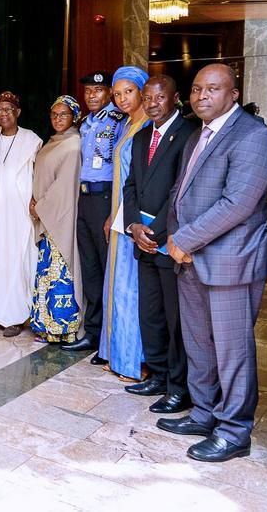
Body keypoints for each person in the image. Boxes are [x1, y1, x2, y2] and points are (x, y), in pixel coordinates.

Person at [158, 64, 267, 463]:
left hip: (232, 260)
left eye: (213, 89)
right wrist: (173, 237)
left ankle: (234, 430)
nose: (202, 96)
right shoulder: (198, 134)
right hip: (190, 259)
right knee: (200, 345)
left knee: (233, 352)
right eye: (196, 89)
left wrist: (185, 239)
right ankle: (205, 412)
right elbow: (181, 192)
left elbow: (239, 203)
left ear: (233, 93)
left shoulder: (254, 136)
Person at [122, 75, 197, 412]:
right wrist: (133, 225)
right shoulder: (140, 139)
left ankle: (179, 387)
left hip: (171, 240)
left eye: (159, 98)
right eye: (148, 98)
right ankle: (156, 373)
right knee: (150, 312)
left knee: (174, 317)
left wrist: (158, 230)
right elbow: (131, 186)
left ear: (175, 98)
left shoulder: (189, 136)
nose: (152, 104)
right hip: (143, 239)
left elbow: (182, 190)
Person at [62, 71, 127, 360]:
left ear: (109, 93)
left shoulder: (118, 121)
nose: (91, 96)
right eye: (88, 91)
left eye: (98, 91)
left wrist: (114, 210)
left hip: (104, 198)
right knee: (90, 270)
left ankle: (110, 340)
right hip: (84, 198)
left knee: (106, 269)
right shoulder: (86, 124)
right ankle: (93, 332)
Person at [98, 66, 150, 381]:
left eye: (127, 91)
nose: (121, 98)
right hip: (120, 217)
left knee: (132, 290)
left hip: (135, 220)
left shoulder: (147, 127)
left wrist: (129, 218)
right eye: (117, 94)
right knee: (117, 287)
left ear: (142, 91)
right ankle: (119, 355)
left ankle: (136, 361)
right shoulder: (129, 125)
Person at [0, 91, 42, 336]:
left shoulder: (31, 139)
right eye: (1, 109)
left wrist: (36, 202)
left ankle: (15, 316)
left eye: (9, 110)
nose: (4, 114)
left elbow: (39, 175)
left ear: (18, 113)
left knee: (17, 259)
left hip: (19, 211)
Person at [30, 96, 84, 343]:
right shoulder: (53, 142)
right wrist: (35, 203)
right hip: (46, 214)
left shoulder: (73, 144)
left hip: (59, 218)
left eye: (64, 114)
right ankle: (45, 324)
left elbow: (63, 187)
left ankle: (63, 328)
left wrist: (40, 206)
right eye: (54, 114)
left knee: (61, 274)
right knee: (46, 275)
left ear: (74, 116)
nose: (58, 119)